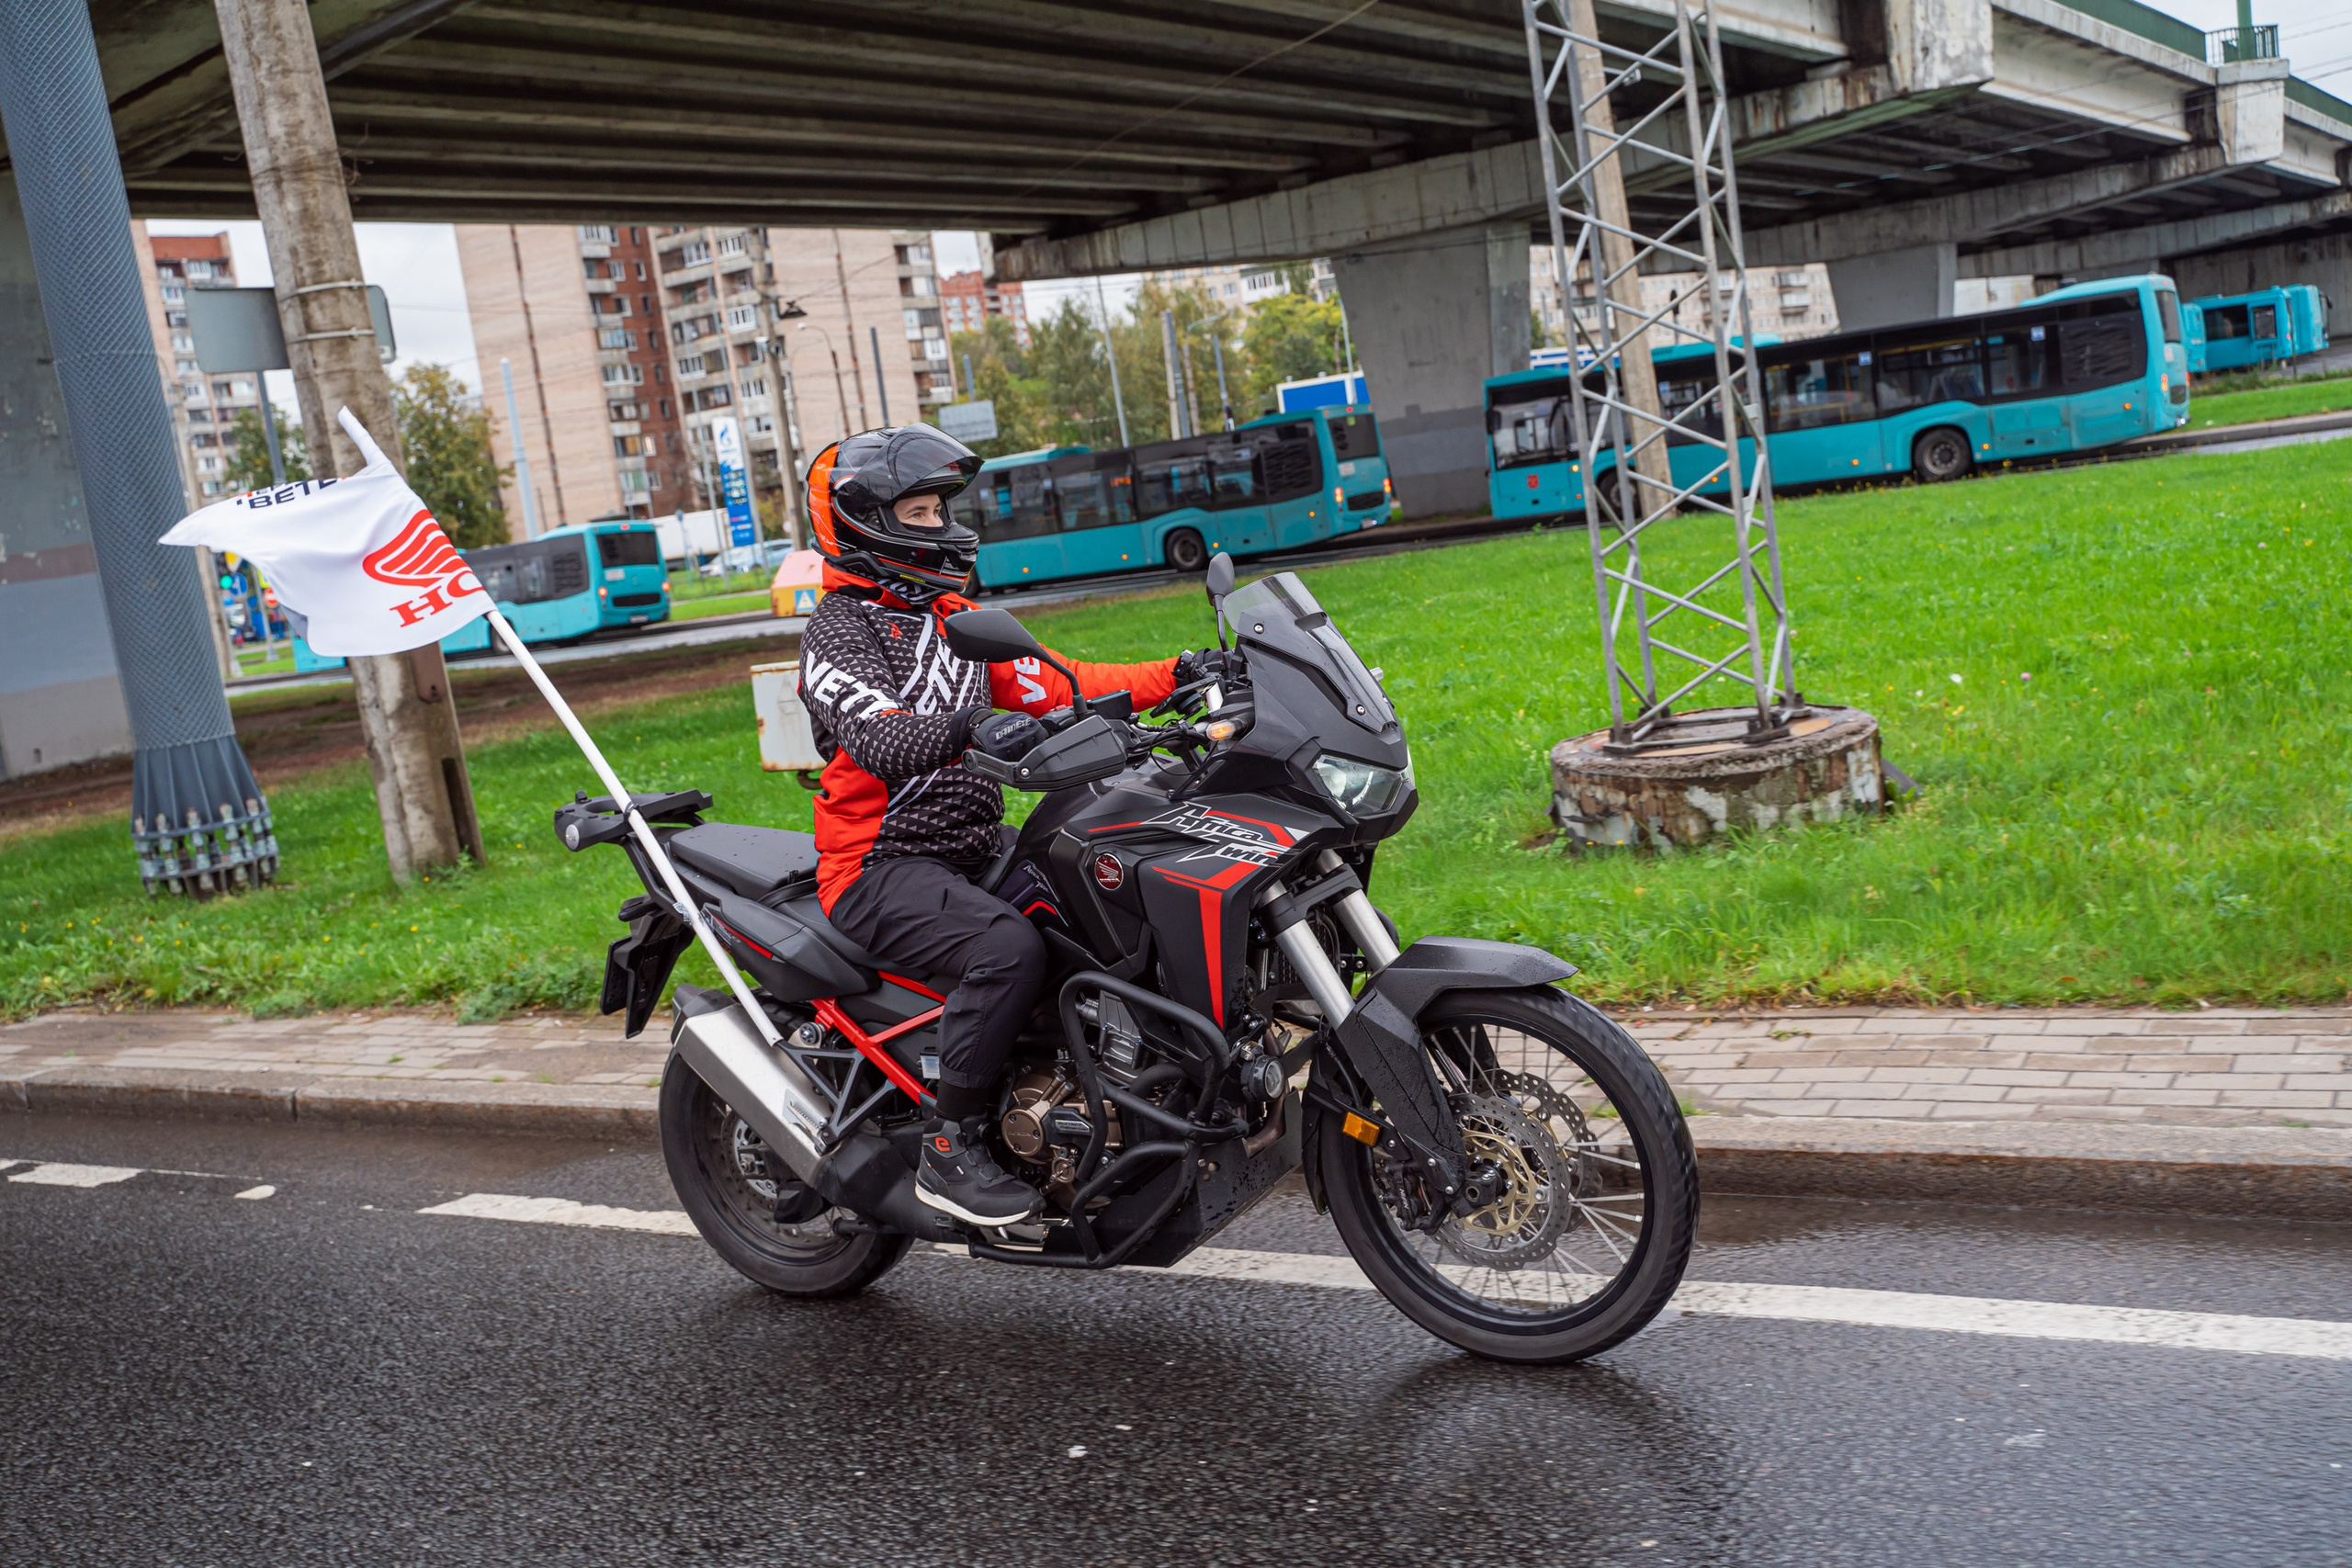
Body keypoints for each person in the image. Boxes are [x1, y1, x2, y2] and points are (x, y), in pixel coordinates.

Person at [796, 425, 1223, 1227]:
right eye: (918, 511)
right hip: (878, 865)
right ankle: (949, 1147)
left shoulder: (955, 619)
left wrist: (1182, 672)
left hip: (969, 852)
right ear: (865, 524)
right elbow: (882, 737)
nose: (940, 525)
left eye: (936, 508)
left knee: (1103, 902)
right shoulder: (838, 631)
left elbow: (1067, 683)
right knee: (1006, 948)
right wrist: (972, 728)